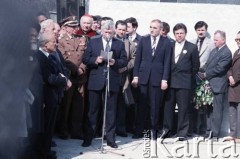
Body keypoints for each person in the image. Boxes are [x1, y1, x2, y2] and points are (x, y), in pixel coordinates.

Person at [81, 20, 127, 148]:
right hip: (96, 80)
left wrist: (114, 62)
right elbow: (85, 58)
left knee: (111, 112)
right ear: (101, 31)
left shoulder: (119, 44)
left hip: (112, 81)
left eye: (110, 32)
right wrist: (95, 59)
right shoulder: (94, 41)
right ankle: (88, 137)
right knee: (93, 111)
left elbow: (124, 60)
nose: (108, 34)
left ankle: (111, 139)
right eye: (105, 32)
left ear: (113, 32)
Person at [131, 19, 172, 140]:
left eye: (155, 28)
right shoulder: (143, 40)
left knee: (154, 106)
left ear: (160, 29)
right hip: (143, 78)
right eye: (150, 27)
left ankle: (153, 130)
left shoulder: (166, 43)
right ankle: (139, 130)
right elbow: (137, 60)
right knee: (142, 106)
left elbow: (167, 62)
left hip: (157, 78)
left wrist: (164, 79)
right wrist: (136, 76)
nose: (152, 29)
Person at [35, 32, 72, 159]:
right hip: (46, 97)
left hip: (54, 96)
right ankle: (42, 153)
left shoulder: (51, 56)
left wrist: (63, 77)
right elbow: (49, 78)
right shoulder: (40, 57)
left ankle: (46, 150)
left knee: (49, 127)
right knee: (44, 127)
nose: (56, 43)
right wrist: (64, 80)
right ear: (45, 44)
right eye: (53, 42)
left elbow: (60, 71)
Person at [162, 23, 200, 141]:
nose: (179, 35)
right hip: (170, 82)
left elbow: (195, 66)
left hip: (184, 83)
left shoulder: (192, 47)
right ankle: (167, 131)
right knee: (168, 108)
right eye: (177, 33)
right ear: (174, 34)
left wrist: (187, 76)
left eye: (181, 33)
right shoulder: (170, 45)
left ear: (185, 34)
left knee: (183, 109)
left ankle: (181, 133)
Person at [57, 18, 87, 140]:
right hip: (70, 76)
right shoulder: (61, 41)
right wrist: (76, 69)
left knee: (79, 107)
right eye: (72, 26)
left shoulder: (81, 39)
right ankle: (63, 130)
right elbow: (64, 59)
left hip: (81, 78)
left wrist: (82, 68)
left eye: (76, 26)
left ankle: (76, 131)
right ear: (66, 27)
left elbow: (85, 55)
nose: (75, 28)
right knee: (66, 106)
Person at [203, 30, 232, 140]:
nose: (214, 41)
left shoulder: (226, 52)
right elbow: (208, 64)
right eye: (214, 39)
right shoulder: (214, 50)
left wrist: (206, 74)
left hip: (218, 85)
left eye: (216, 40)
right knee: (209, 109)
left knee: (217, 110)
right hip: (209, 84)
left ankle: (215, 133)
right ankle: (208, 130)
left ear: (223, 40)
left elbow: (220, 68)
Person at [189, 21, 215, 136]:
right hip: (192, 76)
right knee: (193, 103)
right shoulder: (191, 42)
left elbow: (213, 61)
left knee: (204, 104)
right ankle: (193, 128)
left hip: (204, 77)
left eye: (202, 30)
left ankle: (204, 130)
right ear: (196, 31)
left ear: (206, 30)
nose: (200, 32)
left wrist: (206, 73)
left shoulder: (211, 44)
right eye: (199, 30)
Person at [115, 20, 136, 137]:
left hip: (124, 77)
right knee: (111, 104)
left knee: (122, 104)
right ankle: (108, 129)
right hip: (112, 76)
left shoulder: (130, 44)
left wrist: (126, 68)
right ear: (116, 29)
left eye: (124, 30)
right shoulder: (110, 41)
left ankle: (121, 128)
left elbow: (134, 58)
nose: (122, 32)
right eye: (120, 29)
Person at [224, 31, 240, 143]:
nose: (238, 42)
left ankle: (239, 136)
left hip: (238, 85)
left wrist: (236, 79)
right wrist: (230, 76)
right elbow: (230, 67)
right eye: (237, 39)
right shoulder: (236, 52)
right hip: (233, 86)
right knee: (232, 111)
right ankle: (233, 134)